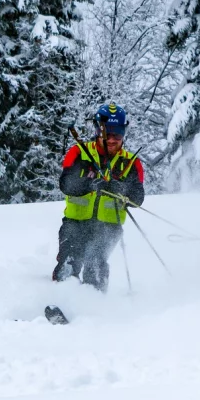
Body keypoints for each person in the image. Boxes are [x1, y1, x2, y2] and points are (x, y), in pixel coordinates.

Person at [52, 103, 145, 291]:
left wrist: (122, 189)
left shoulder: (131, 163)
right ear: (97, 130)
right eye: (107, 134)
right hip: (75, 223)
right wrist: (90, 183)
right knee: (69, 262)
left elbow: (138, 198)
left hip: (108, 227)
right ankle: (61, 303)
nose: (111, 140)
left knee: (95, 264)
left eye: (117, 134)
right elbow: (66, 184)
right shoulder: (79, 153)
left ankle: (94, 309)